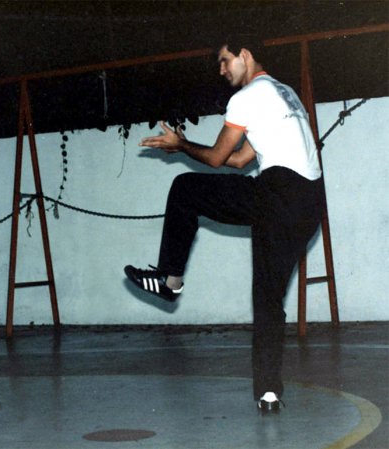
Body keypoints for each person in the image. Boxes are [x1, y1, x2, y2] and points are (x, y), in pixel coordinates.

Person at [124, 35, 324, 413]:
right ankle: (269, 391)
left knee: (185, 187)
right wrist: (190, 147)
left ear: (244, 55)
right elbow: (238, 160)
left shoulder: (246, 97)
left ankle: (169, 279)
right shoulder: (284, 92)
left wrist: (181, 145)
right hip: (310, 203)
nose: (221, 70)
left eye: (224, 61)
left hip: (278, 192)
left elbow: (216, 158)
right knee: (268, 295)